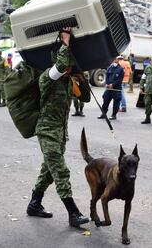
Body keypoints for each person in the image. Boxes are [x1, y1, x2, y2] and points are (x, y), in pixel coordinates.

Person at [26, 27, 89, 227]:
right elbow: (61, 64)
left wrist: (81, 78)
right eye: (68, 66)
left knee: (48, 171)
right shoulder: (48, 77)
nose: (69, 68)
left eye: (71, 66)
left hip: (60, 135)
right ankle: (73, 213)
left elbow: (85, 98)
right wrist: (65, 41)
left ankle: (34, 205)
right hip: (47, 132)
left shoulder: (68, 83)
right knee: (61, 172)